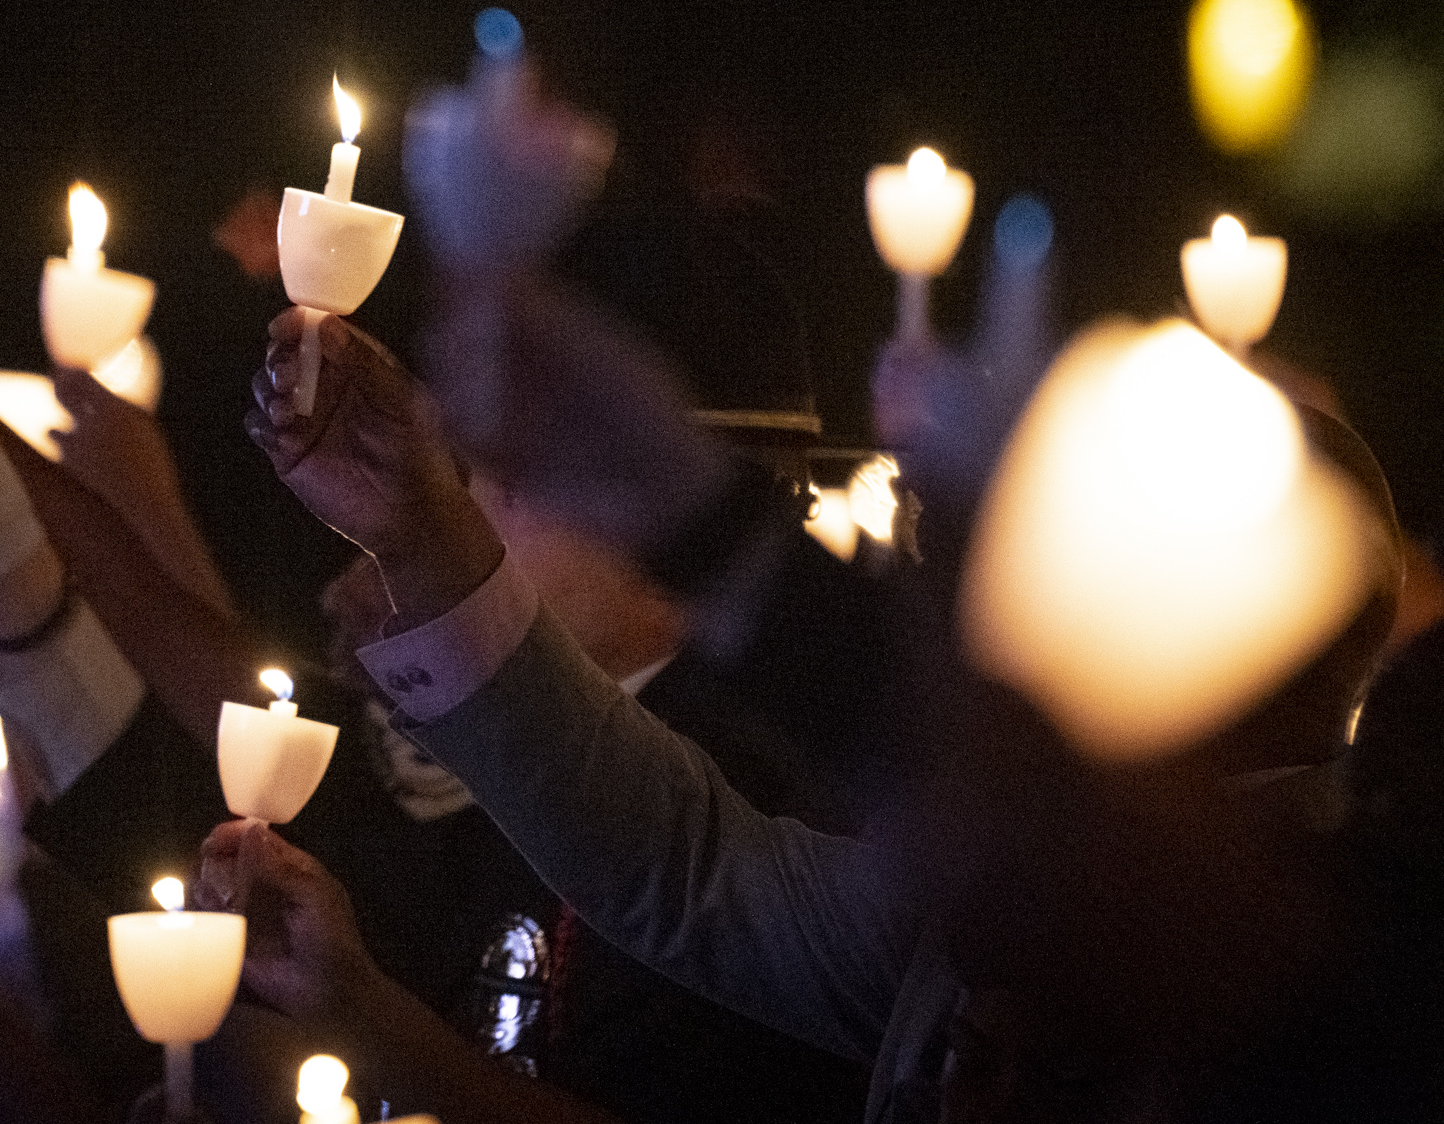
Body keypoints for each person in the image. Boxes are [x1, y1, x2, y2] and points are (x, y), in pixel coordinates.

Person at [238, 56, 1413, 1120]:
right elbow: (688, 868)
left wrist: (694, 519)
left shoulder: (1344, 993)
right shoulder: (969, 901)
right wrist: (426, 529)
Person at [0, 92, 869, 1121]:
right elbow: (193, 700)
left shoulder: (779, 794)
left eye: (524, 453)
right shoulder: (512, 758)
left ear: (650, 488)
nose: (474, 481)